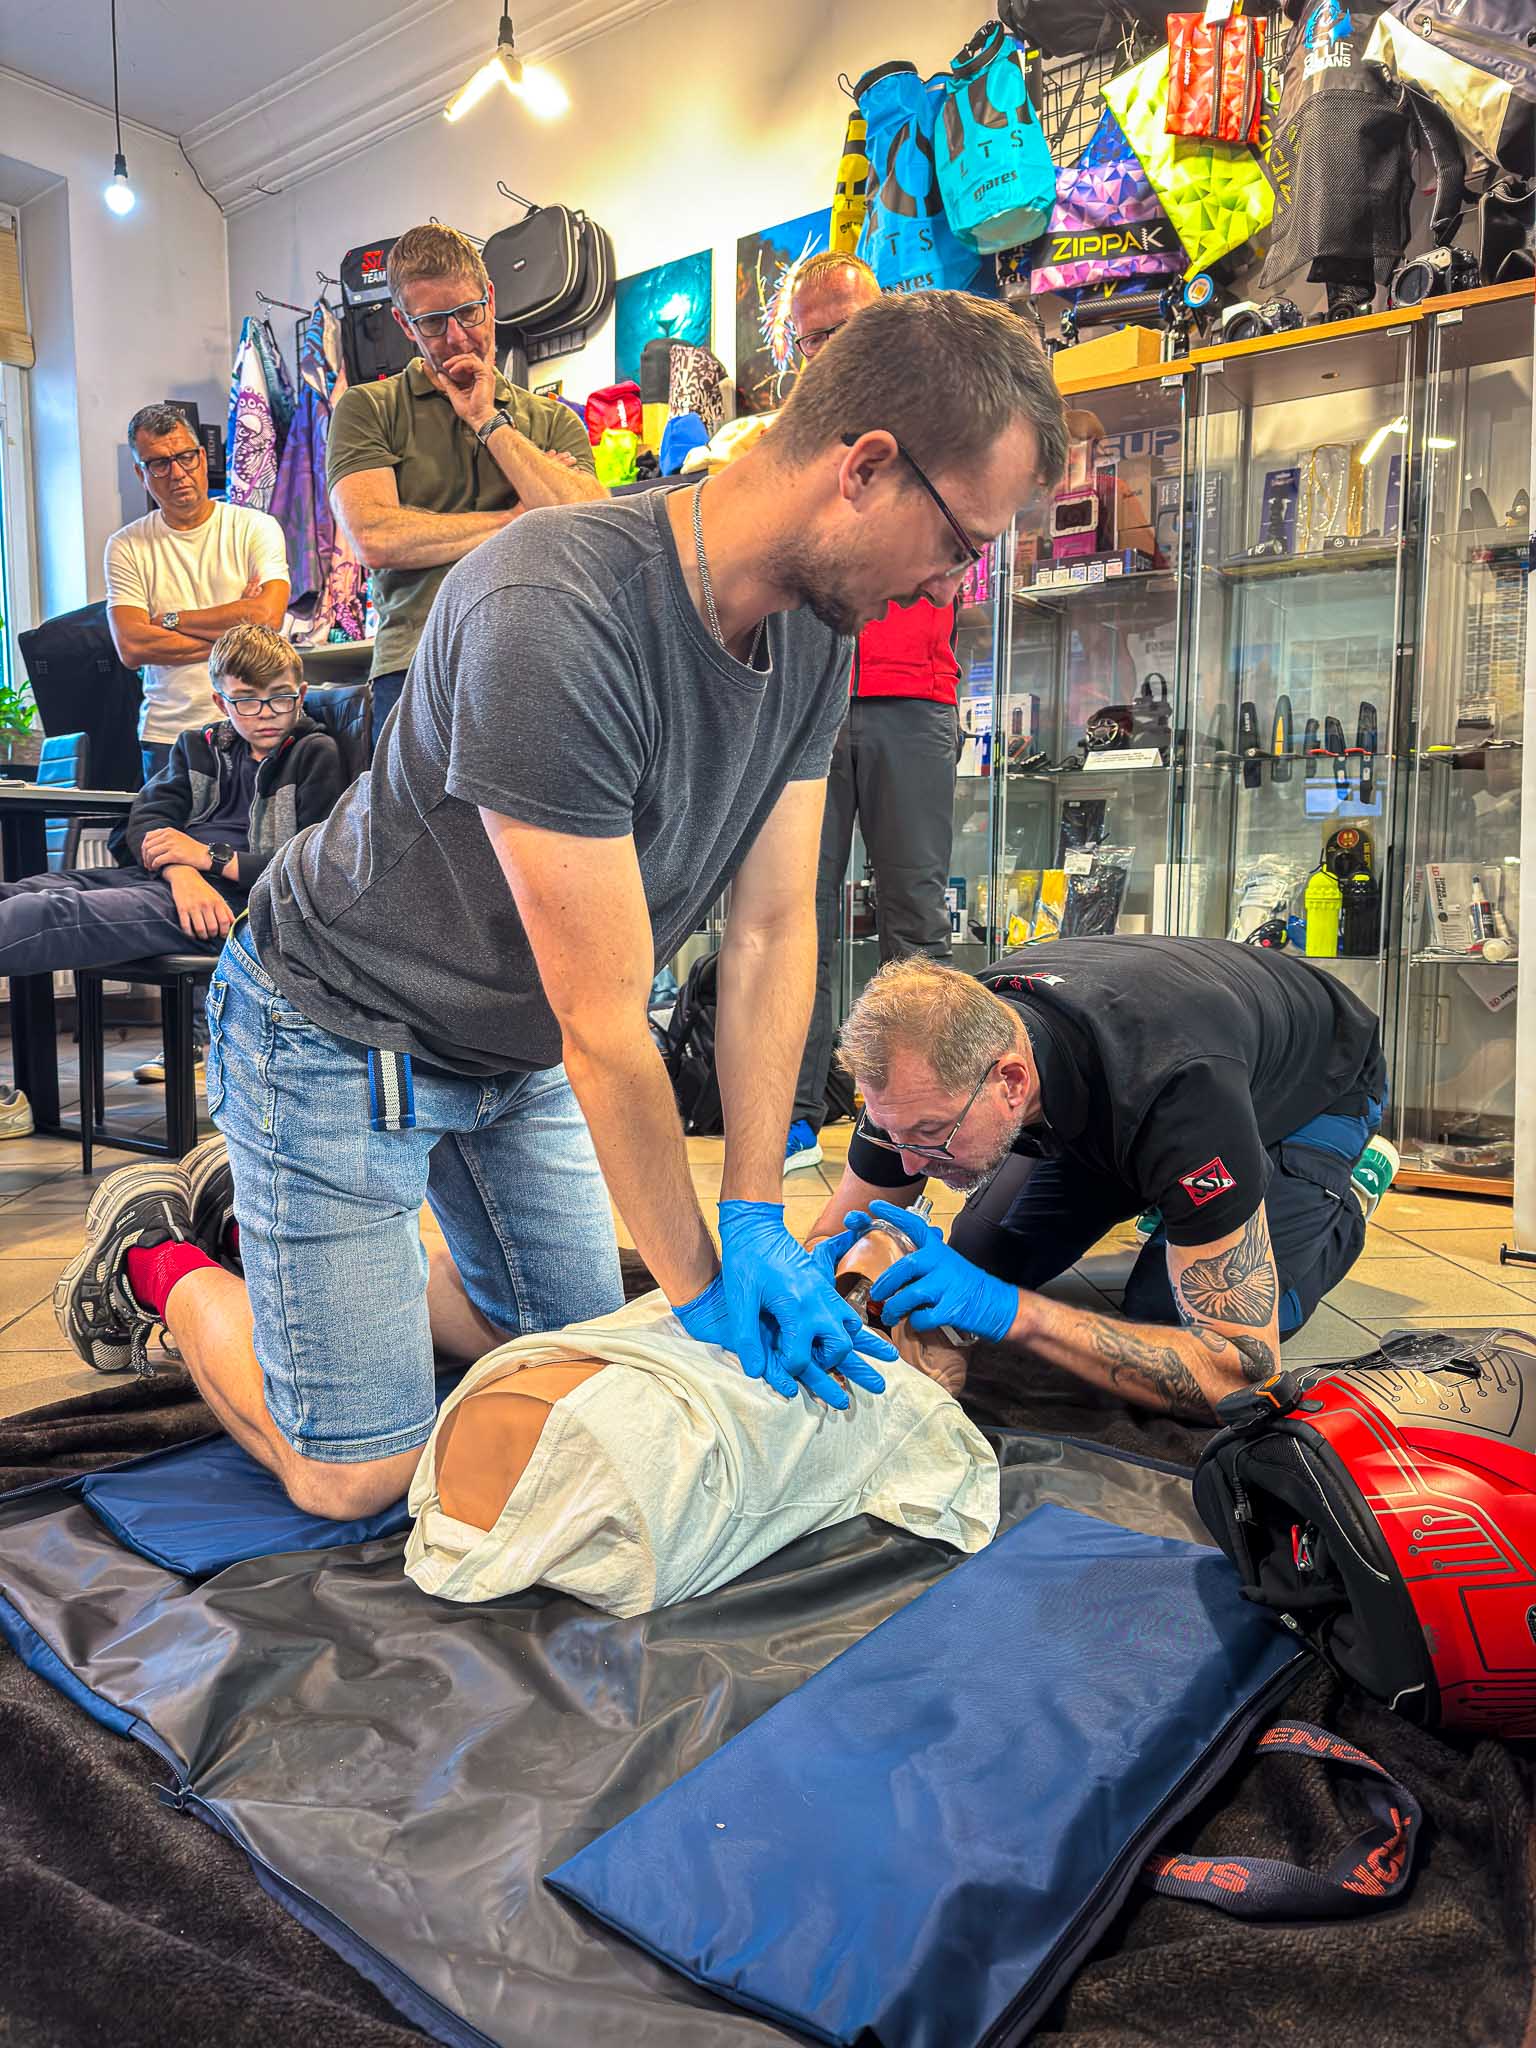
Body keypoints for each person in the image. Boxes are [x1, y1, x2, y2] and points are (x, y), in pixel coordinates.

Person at [54, 288, 1070, 1521]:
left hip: (514, 1043)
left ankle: (278, 1230)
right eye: (960, 543)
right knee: (359, 1475)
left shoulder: (817, 631)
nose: (950, 584)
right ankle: (160, 1252)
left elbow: (772, 926)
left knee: (571, 1363)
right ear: (864, 469)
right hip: (338, 1028)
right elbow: (604, 1022)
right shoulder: (556, 608)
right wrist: (705, 1290)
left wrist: (753, 1208)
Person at [808, 938, 1401, 1417]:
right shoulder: (923, 1071)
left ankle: (1342, 1191)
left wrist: (1008, 1310)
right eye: (893, 1134)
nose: (911, 1164)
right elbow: (833, 1234)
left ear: (1012, 1083)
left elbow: (1241, 1372)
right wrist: (813, 1287)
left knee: (1164, 1316)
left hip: (1314, 1087)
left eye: (932, 1134)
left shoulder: (1182, 1094)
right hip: (1132, 1088)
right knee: (982, 1254)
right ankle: (1166, 1190)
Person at [0, 626, 340, 1139]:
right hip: (173, 886)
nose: (266, 713)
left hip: (236, 904)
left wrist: (205, 859)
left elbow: (310, 866)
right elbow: (143, 822)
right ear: (220, 702)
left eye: (281, 698)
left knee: (49, 914)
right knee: (30, 889)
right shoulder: (196, 747)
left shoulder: (317, 754)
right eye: (247, 701)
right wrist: (182, 872)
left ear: (302, 693)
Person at [781, 254, 964, 1176]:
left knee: (915, 923)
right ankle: (791, 1113)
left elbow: (964, 547)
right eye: (811, 337)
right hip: (806, 704)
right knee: (789, 916)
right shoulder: (789, 441)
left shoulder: (936, 424)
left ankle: (922, 1113)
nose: (827, 351)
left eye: (842, 330)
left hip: (911, 698)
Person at [327, 223, 606, 730]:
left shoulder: (552, 419)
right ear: (404, 324)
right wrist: (517, 520)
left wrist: (487, 420)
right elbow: (374, 537)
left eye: (468, 312)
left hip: (542, 657)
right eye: (433, 322)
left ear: (490, 299)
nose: (457, 337)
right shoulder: (368, 408)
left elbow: (590, 529)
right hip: (417, 663)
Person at [105, 407, 291, 783]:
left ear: (202, 458)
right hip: (168, 735)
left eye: (185, 457)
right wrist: (240, 636)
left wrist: (170, 620)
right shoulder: (127, 546)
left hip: (254, 724)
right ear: (141, 474)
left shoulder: (255, 528)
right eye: (159, 464)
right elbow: (132, 646)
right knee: (168, 825)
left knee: (262, 824)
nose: (177, 473)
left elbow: (267, 618)